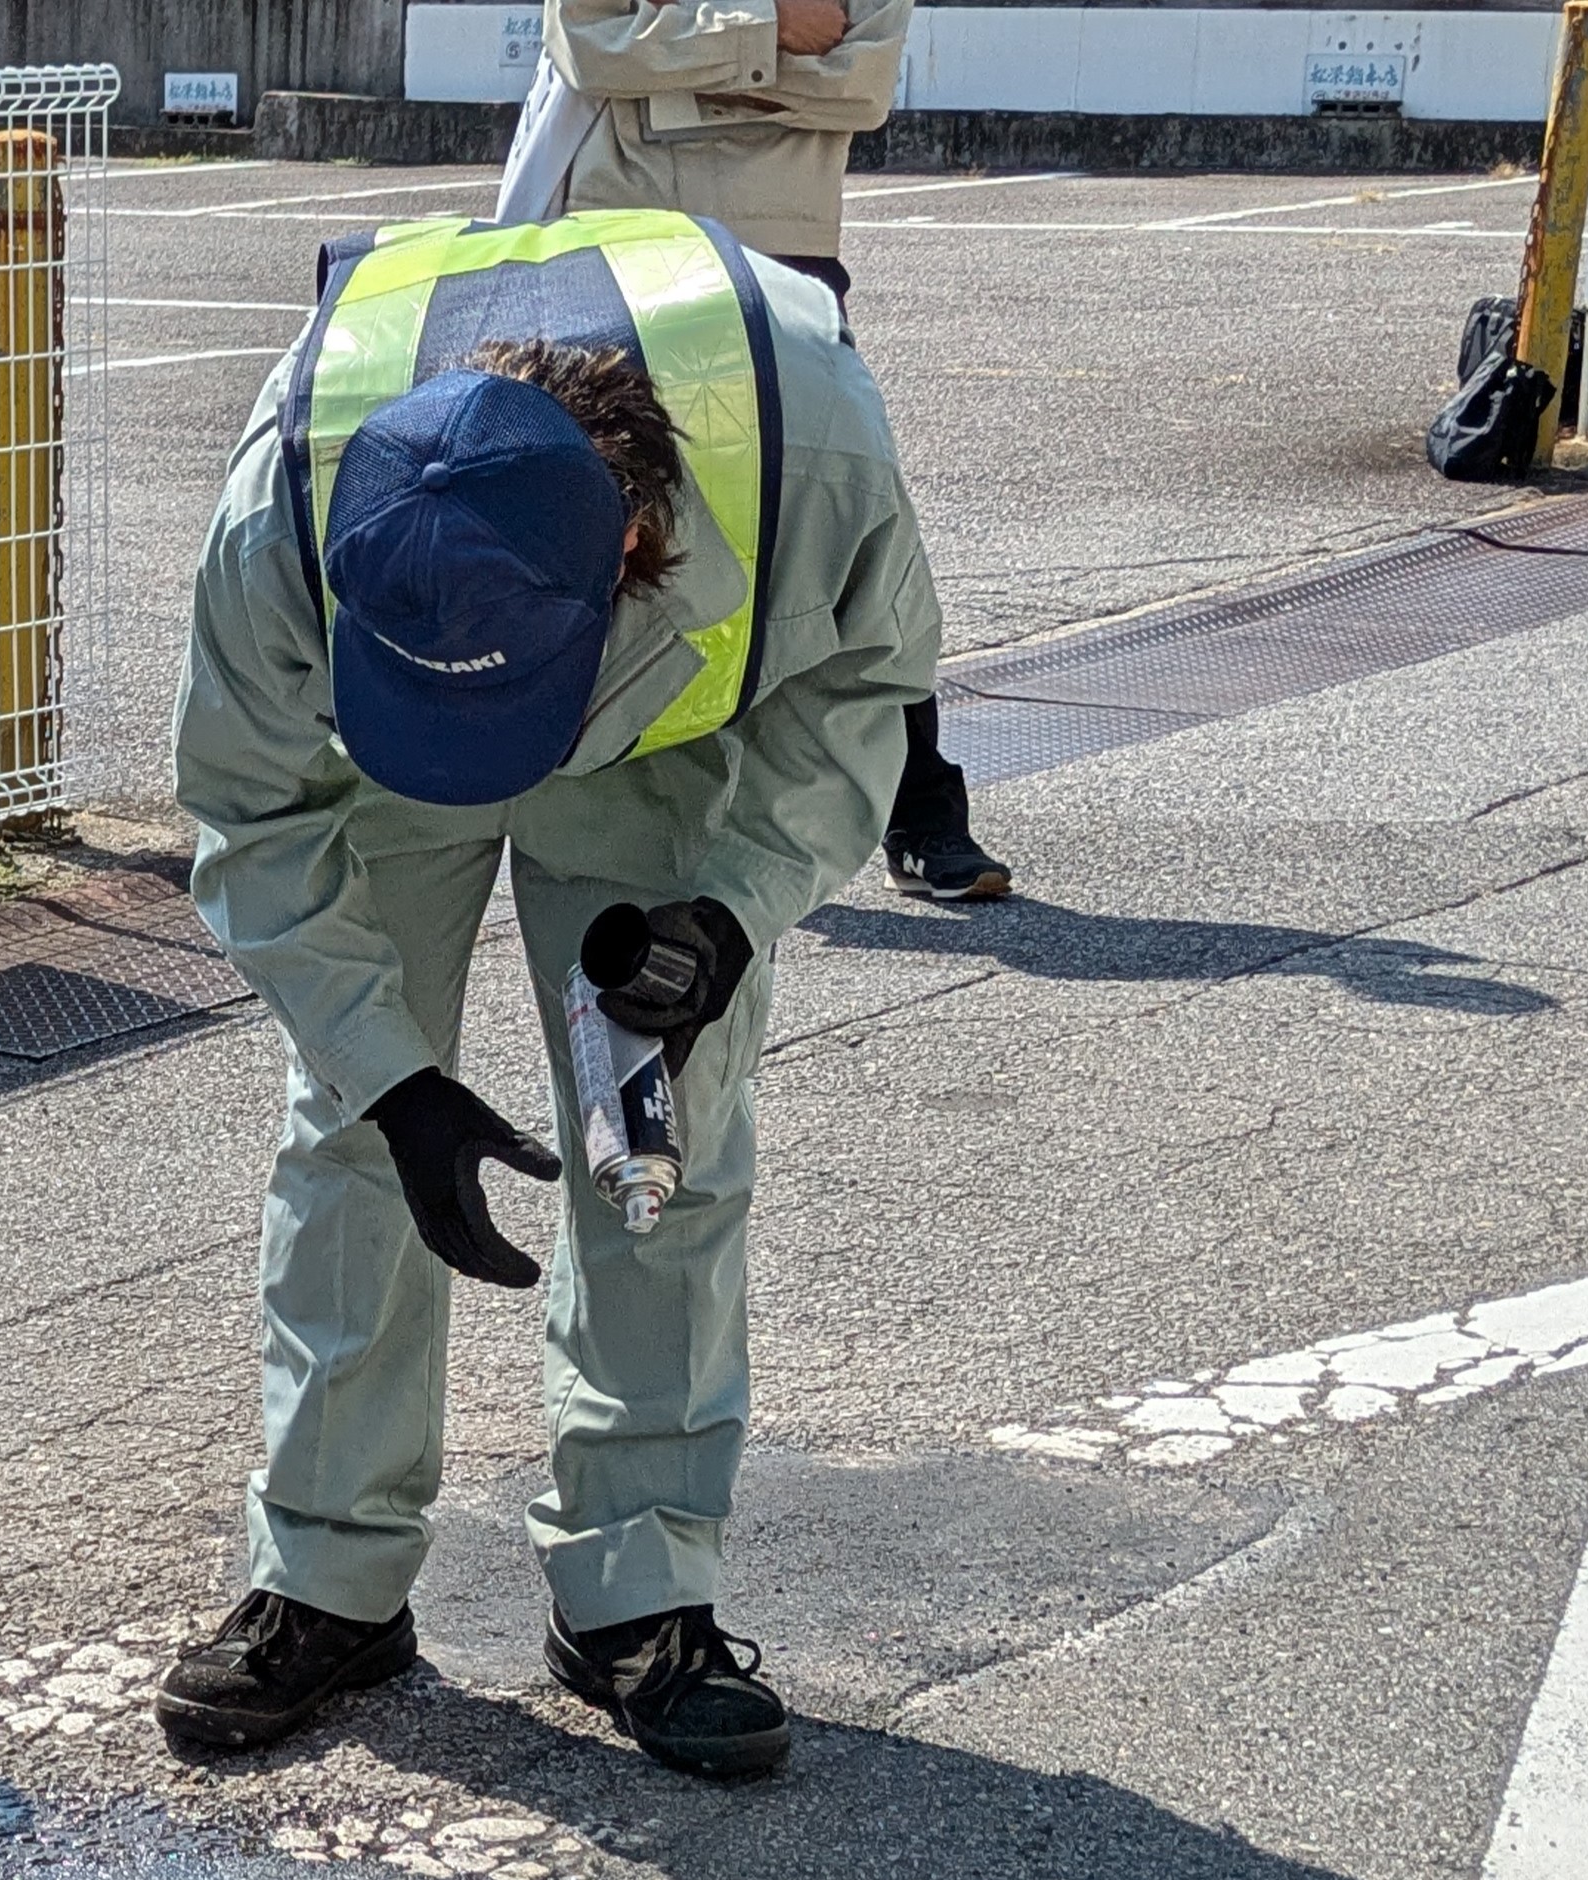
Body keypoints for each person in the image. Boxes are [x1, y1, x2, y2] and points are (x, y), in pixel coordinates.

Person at [150, 208, 935, 1778]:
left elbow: (863, 684)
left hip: (652, 727)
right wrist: (392, 1070)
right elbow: (250, 814)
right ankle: (329, 1577)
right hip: (396, 730)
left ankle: (638, 1592)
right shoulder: (285, 510)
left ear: (639, 549)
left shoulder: (810, 448)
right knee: (353, 1133)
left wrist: (729, 909)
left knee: (659, 1129)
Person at [493, 0, 1013, 903]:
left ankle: (922, 811)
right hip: (627, 243)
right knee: (627, 525)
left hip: (785, 250)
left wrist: (672, 74)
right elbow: (586, 46)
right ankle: (613, 804)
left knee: (845, 516)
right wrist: (768, 33)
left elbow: (858, 86)